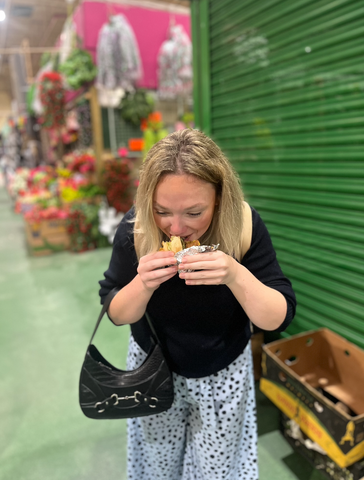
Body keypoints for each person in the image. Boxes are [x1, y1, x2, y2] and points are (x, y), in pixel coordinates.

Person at [99, 129, 296, 480]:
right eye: (162, 211)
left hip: (223, 374)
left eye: (194, 212)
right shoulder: (137, 228)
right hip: (153, 370)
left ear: (219, 198)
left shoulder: (242, 225)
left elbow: (277, 316)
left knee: (217, 471)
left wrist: (235, 274)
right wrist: (141, 284)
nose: (177, 227)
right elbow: (115, 310)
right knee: (158, 468)